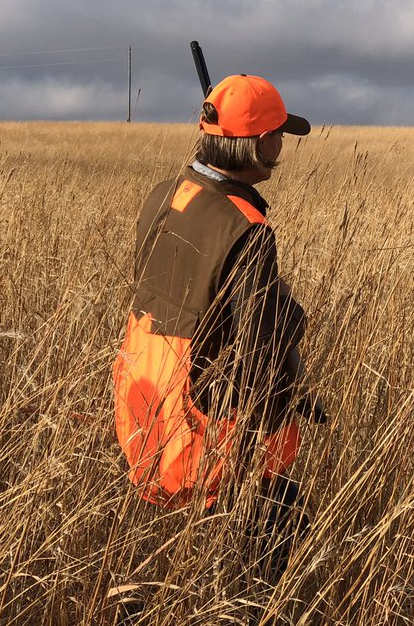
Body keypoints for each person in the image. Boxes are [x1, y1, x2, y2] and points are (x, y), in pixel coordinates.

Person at [113, 73, 324, 589]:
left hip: (145, 411)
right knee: (272, 551)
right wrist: (280, 400)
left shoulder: (164, 195)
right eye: (277, 135)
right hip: (210, 432)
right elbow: (259, 353)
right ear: (258, 144)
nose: (281, 145)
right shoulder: (246, 228)